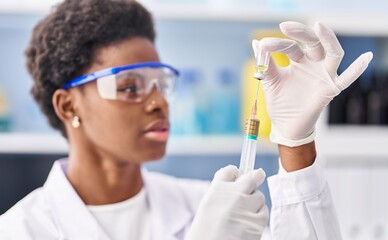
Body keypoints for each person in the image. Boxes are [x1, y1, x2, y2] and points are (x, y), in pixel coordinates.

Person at [0, 0, 373, 239]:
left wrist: (295, 144)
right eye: (130, 86)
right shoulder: (23, 230)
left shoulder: (210, 205)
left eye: (161, 84)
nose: (159, 101)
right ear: (68, 106)